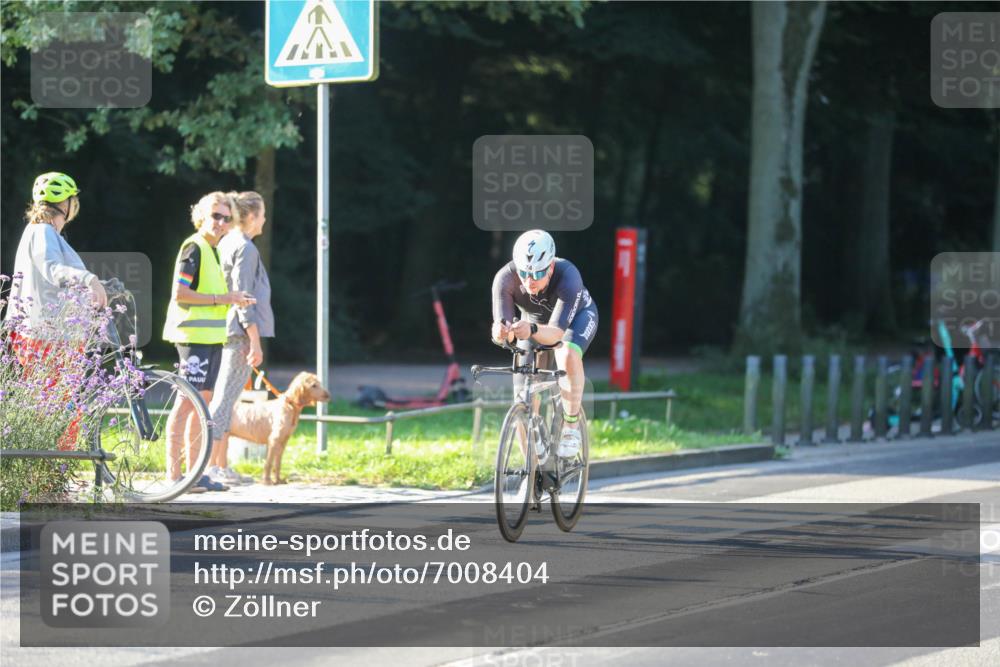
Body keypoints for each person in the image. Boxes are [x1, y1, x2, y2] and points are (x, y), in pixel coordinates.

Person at [4, 172, 107, 449]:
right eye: (75, 200)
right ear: (68, 204)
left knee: (59, 404)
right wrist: (89, 280)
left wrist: (102, 285)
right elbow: (53, 270)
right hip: (45, 334)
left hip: (53, 333)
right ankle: (48, 474)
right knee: (53, 406)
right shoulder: (42, 231)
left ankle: (53, 474)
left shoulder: (46, 233)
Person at [162, 192, 254, 493]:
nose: (221, 223)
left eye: (227, 218)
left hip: (211, 338)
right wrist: (226, 298)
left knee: (200, 405)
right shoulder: (195, 248)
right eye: (216, 216)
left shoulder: (213, 250)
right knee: (186, 404)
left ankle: (194, 474)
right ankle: (174, 477)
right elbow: (180, 293)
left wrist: (234, 300)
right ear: (201, 215)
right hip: (192, 338)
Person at [491, 229, 598, 457]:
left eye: (537, 273)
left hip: (574, 321)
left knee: (566, 353)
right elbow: (504, 334)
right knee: (521, 398)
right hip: (534, 325)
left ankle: (571, 426)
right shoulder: (505, 279)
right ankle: (529, 471)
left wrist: (530, 329)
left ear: (550, 267)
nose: (529, 280)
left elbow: (556, 335)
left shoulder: (568, 275)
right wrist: (501, 332)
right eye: (523, 273)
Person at [206, 191, 275, 487]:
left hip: (231, 329)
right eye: (261, 214)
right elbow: (243, 296)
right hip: (240, 332)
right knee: (224, 401)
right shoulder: (245, 248)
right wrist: (255, 340)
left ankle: (220, 464)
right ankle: (210, 466)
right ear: (249, 217)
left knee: (227, 398)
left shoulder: (229, 242)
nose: (264, 220)